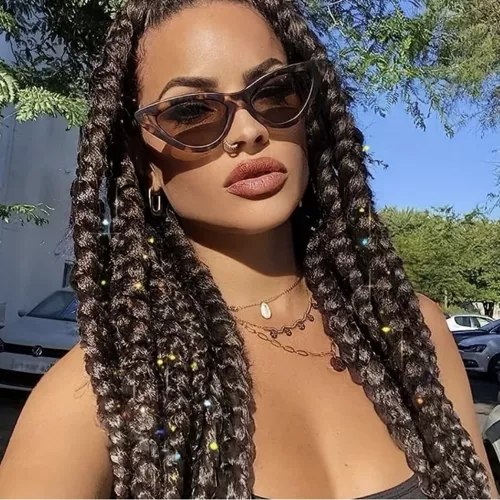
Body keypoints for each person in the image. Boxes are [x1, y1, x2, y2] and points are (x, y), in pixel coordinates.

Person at [0, 1, 497, 498]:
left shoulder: (412, 333)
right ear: (144, 161)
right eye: (191, 111)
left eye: (275, 91)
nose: (250, 131)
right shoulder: (100, 397)